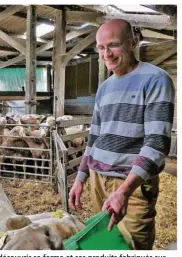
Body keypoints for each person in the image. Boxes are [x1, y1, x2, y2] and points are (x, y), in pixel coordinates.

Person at [68, 19, 175, 250]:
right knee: (106, 243)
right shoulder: (105, 87)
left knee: (131, 245)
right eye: (101, 47)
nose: (106, 54)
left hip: (130, 184)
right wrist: (80, 178)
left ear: (133, 42)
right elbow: (94, 137)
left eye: (113, 45)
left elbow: (157, 144)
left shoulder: (156, 79)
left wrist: (124, 191)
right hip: (98, 178)